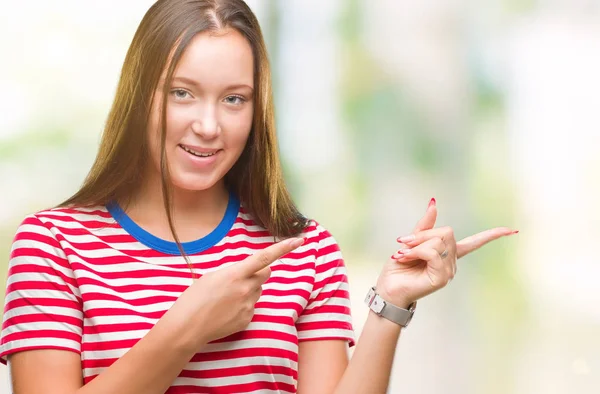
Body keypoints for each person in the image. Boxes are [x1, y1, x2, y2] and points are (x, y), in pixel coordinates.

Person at [0, 1, 517, 393]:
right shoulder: (53, 245)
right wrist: (186, 329)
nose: (207, 125)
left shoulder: (303, 250)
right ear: (140, 96)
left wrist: (392, 304)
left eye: (234, 100)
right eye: (182, 93)